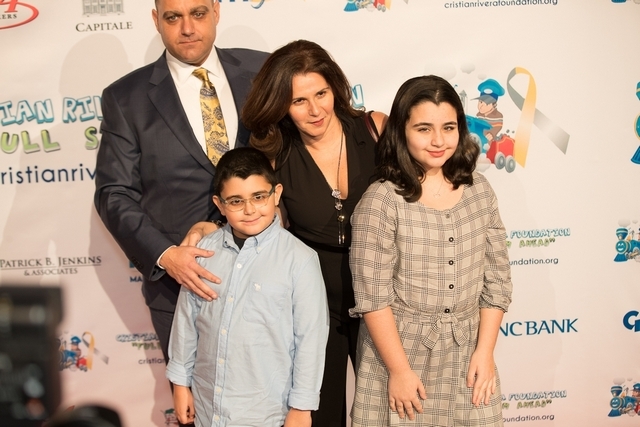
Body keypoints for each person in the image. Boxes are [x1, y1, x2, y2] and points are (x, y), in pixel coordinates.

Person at [93, 0, 269, 362]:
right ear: (156, 20)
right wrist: (166, 256)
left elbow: (297, 160)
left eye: (198, 14)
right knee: (193, 396)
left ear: (216, 12)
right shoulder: (126, 98)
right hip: (181, 289)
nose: (187, 28)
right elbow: (114, 193)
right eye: (173, 17)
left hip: (269, 273)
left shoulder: (263, 72)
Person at [349, 75, 513, 426]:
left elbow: (497, 281)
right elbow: (373, 298)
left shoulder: (480, 190)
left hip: (469, 353)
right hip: (400, 356)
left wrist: (485, 352)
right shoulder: (381, 200)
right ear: (401, 131)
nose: (439, 141)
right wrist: (399, 370)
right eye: (424, 129)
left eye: (448, 128)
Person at [244, 40, 386, 427]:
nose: (315, 110)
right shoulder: (274, 153)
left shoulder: (376, 129)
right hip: (314, 305)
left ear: (335, 88)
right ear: (281, 106)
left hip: (383, 298)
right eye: (299, 101)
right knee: (320, 415)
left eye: (321, 94)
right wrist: (207, 225)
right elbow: (251, 217)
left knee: (392, 413)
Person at [165, 147, 329, 427]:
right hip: (208, 406)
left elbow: (310, 339)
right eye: (236, 201)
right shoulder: (204, 252)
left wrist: (302, 407)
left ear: (276, 193)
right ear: (219, 205)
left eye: (259, 197)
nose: (250, 209)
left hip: (266, 411)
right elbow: (186, 320)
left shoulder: (300, 260)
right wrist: (181, 384)